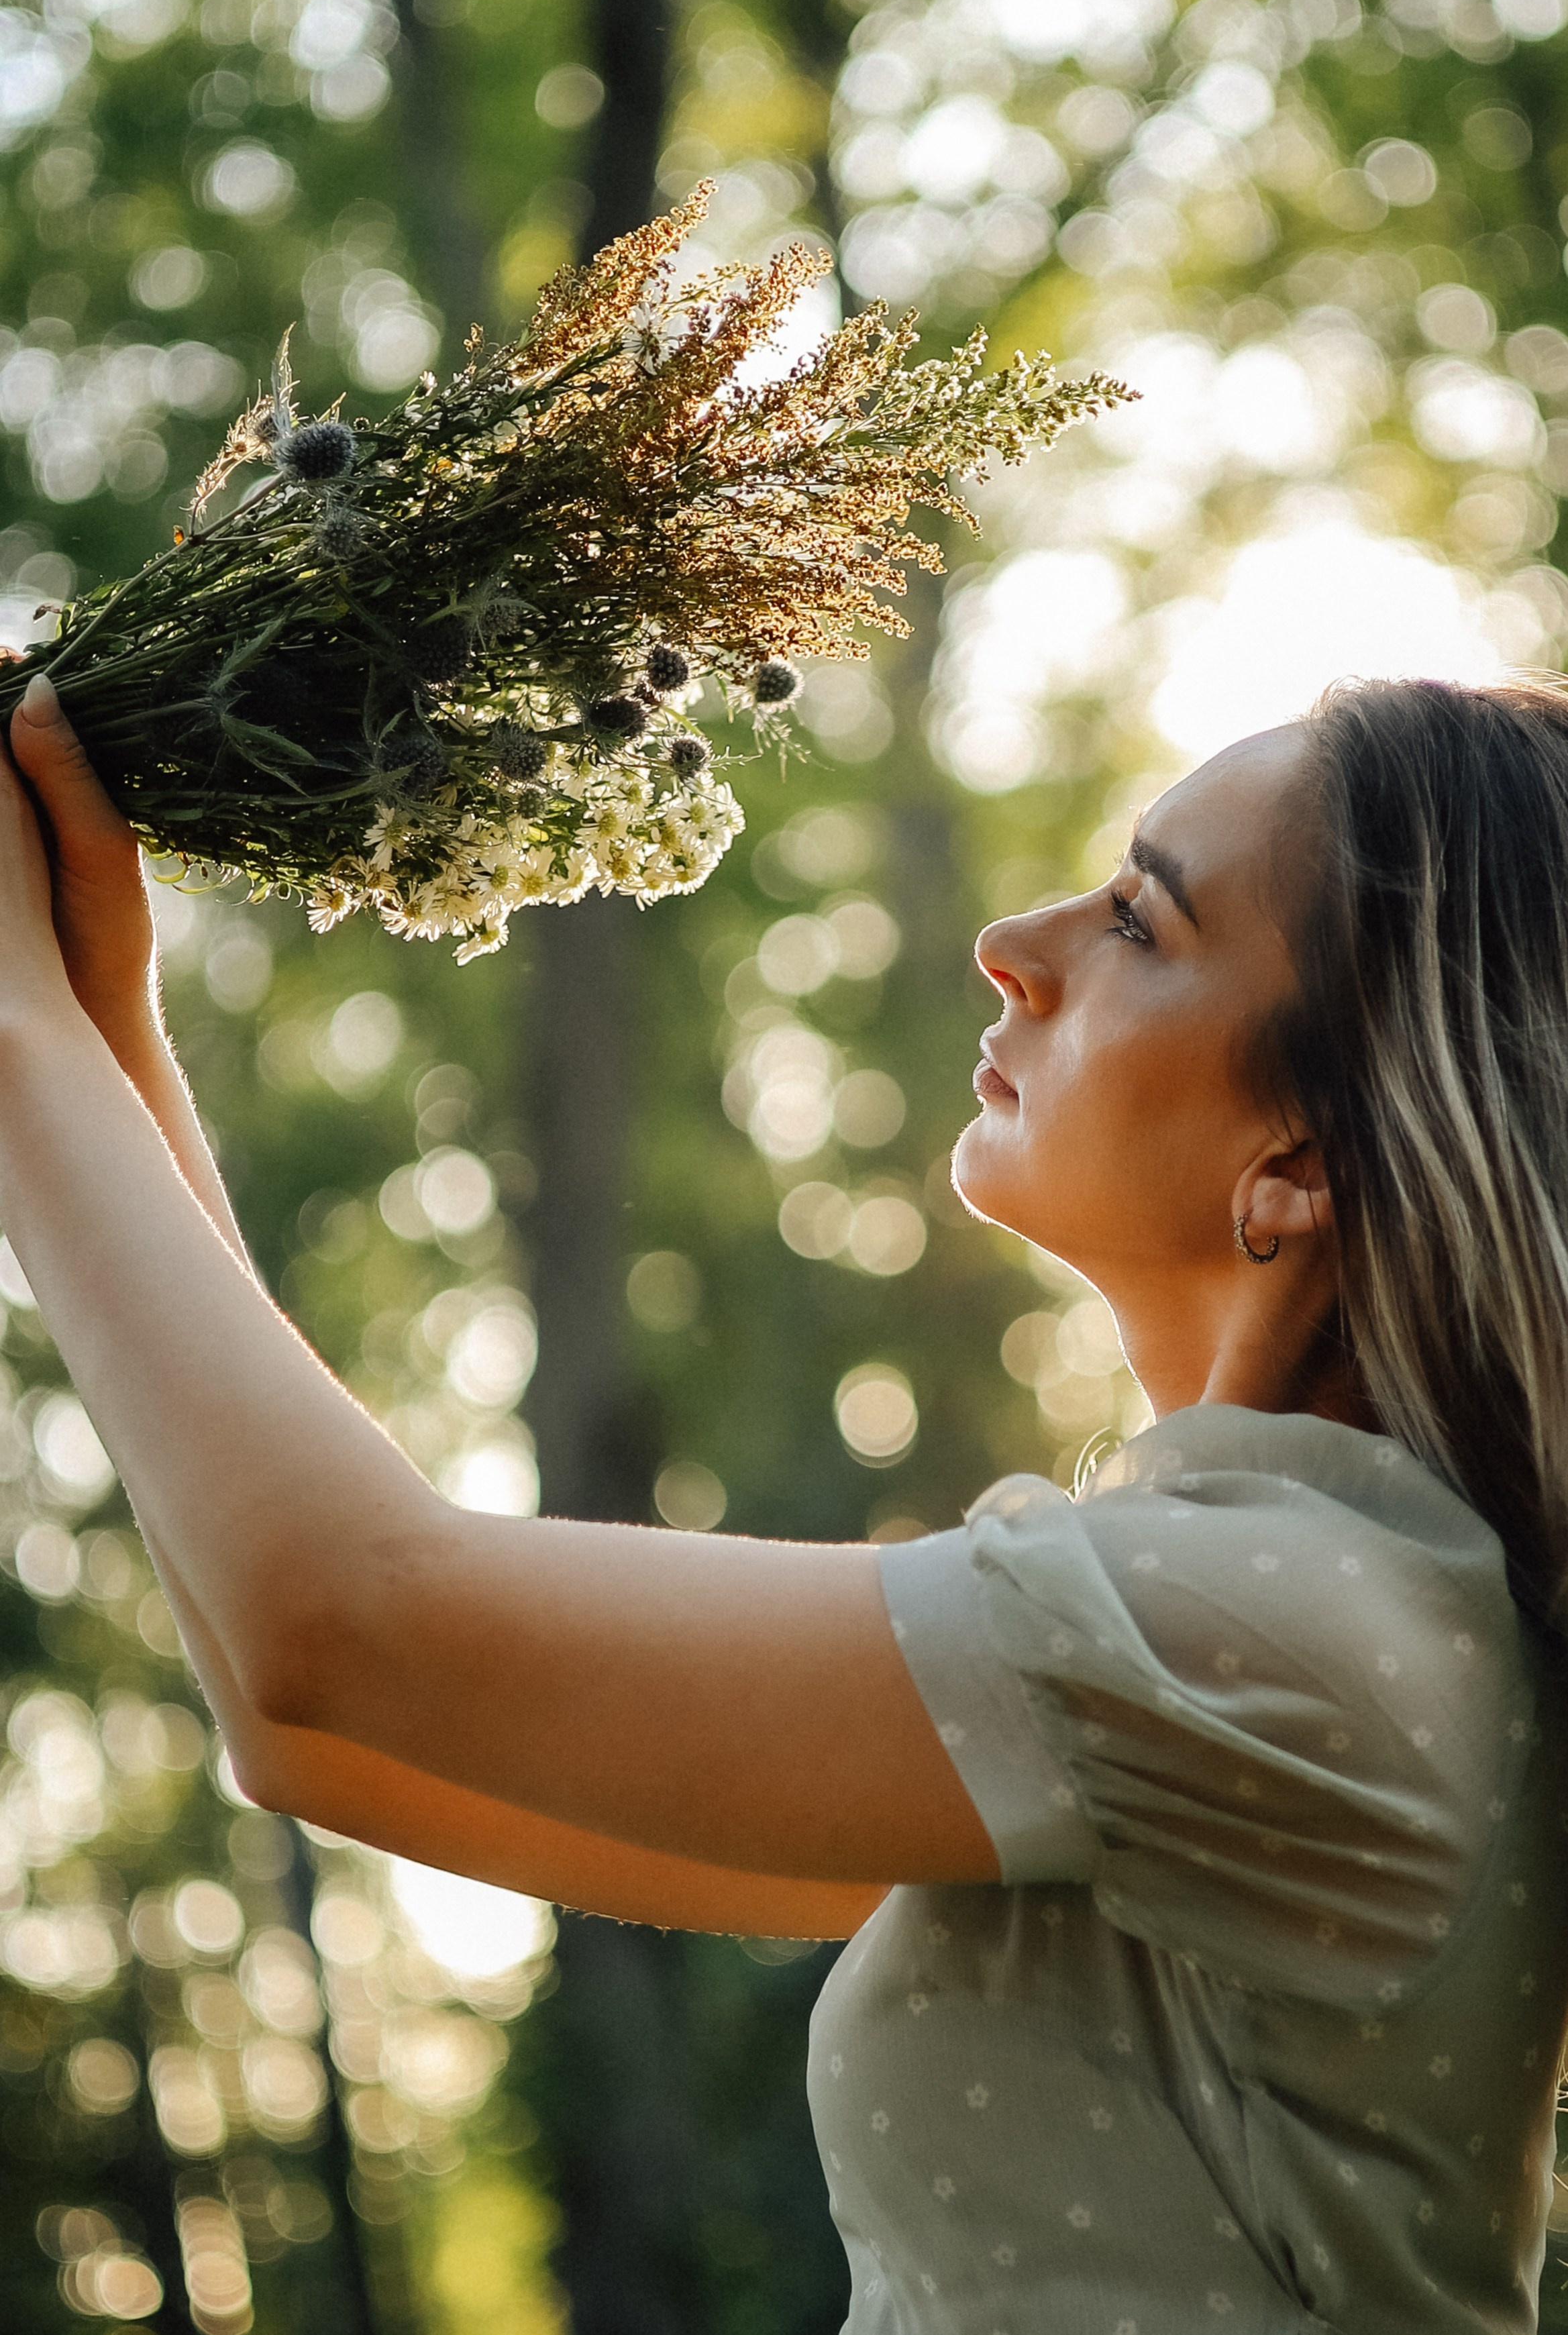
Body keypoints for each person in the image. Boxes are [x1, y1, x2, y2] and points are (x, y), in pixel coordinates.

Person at [0, 665, 1565, 2333]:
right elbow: (318, 1727)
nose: (1017, 941)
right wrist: (95, 1014)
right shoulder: (1233, 1653)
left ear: (1301, 1159)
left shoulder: (1282, 1634)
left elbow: (349, 1627)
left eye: (1137, 920)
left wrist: (20, 1034)